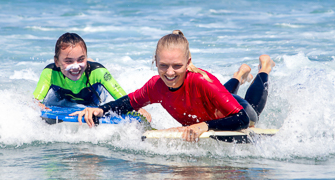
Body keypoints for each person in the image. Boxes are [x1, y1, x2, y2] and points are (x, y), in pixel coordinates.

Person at [70, 30, 275, 142]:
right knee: (220, 94)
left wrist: (204, 126)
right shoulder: (155, 86)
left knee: (253, 114)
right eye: (163, 66)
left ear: (188, 63)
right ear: (155, 62)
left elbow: (241, 118)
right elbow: (128, 103)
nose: (169, 73)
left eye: (177, 66)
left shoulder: (202, 81)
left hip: (236, 111)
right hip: (213, 102)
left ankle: (264, 68)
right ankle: (239, 75)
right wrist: (101, 110)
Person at [33, 32, 151, 120]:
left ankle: (90, 62)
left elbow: (124, 100)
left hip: (94, 98)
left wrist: (138, 109)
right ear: (57, 62)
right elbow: (34, 101)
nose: (75, 66)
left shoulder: (98, 72)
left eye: (81, 59)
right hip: (65, 99)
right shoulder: (50, 73)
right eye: (68, 61)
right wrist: (38, 105)